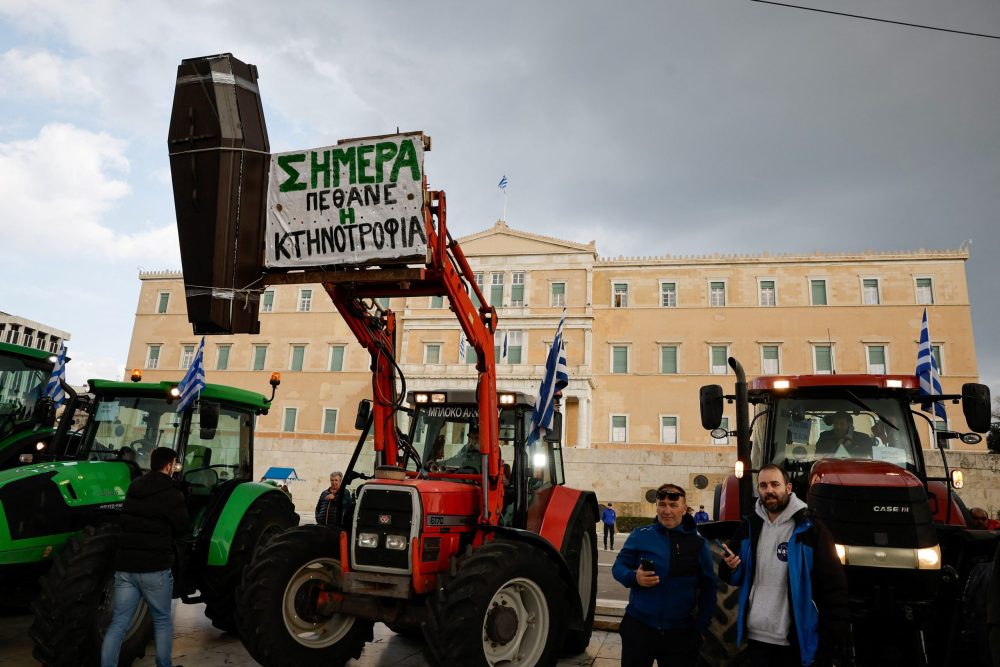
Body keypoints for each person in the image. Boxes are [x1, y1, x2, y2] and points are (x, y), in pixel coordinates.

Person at [719, 464, 851, 666]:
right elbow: (732, 576)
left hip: (792, 640)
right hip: (756, 637)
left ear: (788, 488)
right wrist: (731, 566)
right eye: (763, 485)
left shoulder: (810, 529)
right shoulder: (749, 527)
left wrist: (834, 638)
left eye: (775, 484)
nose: (769, 490)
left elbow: (833, 586)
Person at [101, 446, 191, 667]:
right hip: (155, 568)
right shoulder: (172, 493)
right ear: (169, 465)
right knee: (161, 620)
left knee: (119, 622)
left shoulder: (134, 487)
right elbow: (183, 529)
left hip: (126, 568)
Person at [613, 484, 716, 666]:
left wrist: (700, 628)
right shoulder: (640, 535)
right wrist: (633, 577)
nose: (667, 510)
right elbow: (618, 567)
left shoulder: (698, 544)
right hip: (639, 628)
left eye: (673, 505)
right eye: (662, 504)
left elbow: (709, 588)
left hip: (679, 634)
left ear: (684, 509)